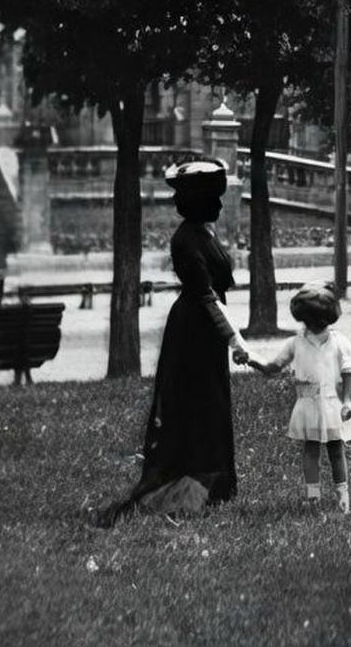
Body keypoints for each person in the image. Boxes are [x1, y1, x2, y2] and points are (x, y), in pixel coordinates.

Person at [97, 156, 249, 526]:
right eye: (213, 198)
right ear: (201, 202)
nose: (219, 204)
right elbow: (205, 295)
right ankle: (196, 480)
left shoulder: (203, 233)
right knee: (197, 401)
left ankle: (216, 481)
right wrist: (236, 340)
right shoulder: (186, 239)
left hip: (204, 329)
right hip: (194, 330)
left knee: (211, 400)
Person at [245, 281, 351, 514]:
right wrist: (251, 359)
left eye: (319, 320)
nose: (315, 325)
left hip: (332, 404)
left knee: (336, 450)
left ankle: (343, 500)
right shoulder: (296, 343)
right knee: (310, 449)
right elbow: (273, 366)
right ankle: (313, 498)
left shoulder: (339, 341)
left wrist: (348, 399)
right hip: (308, 404)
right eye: (310, 320)